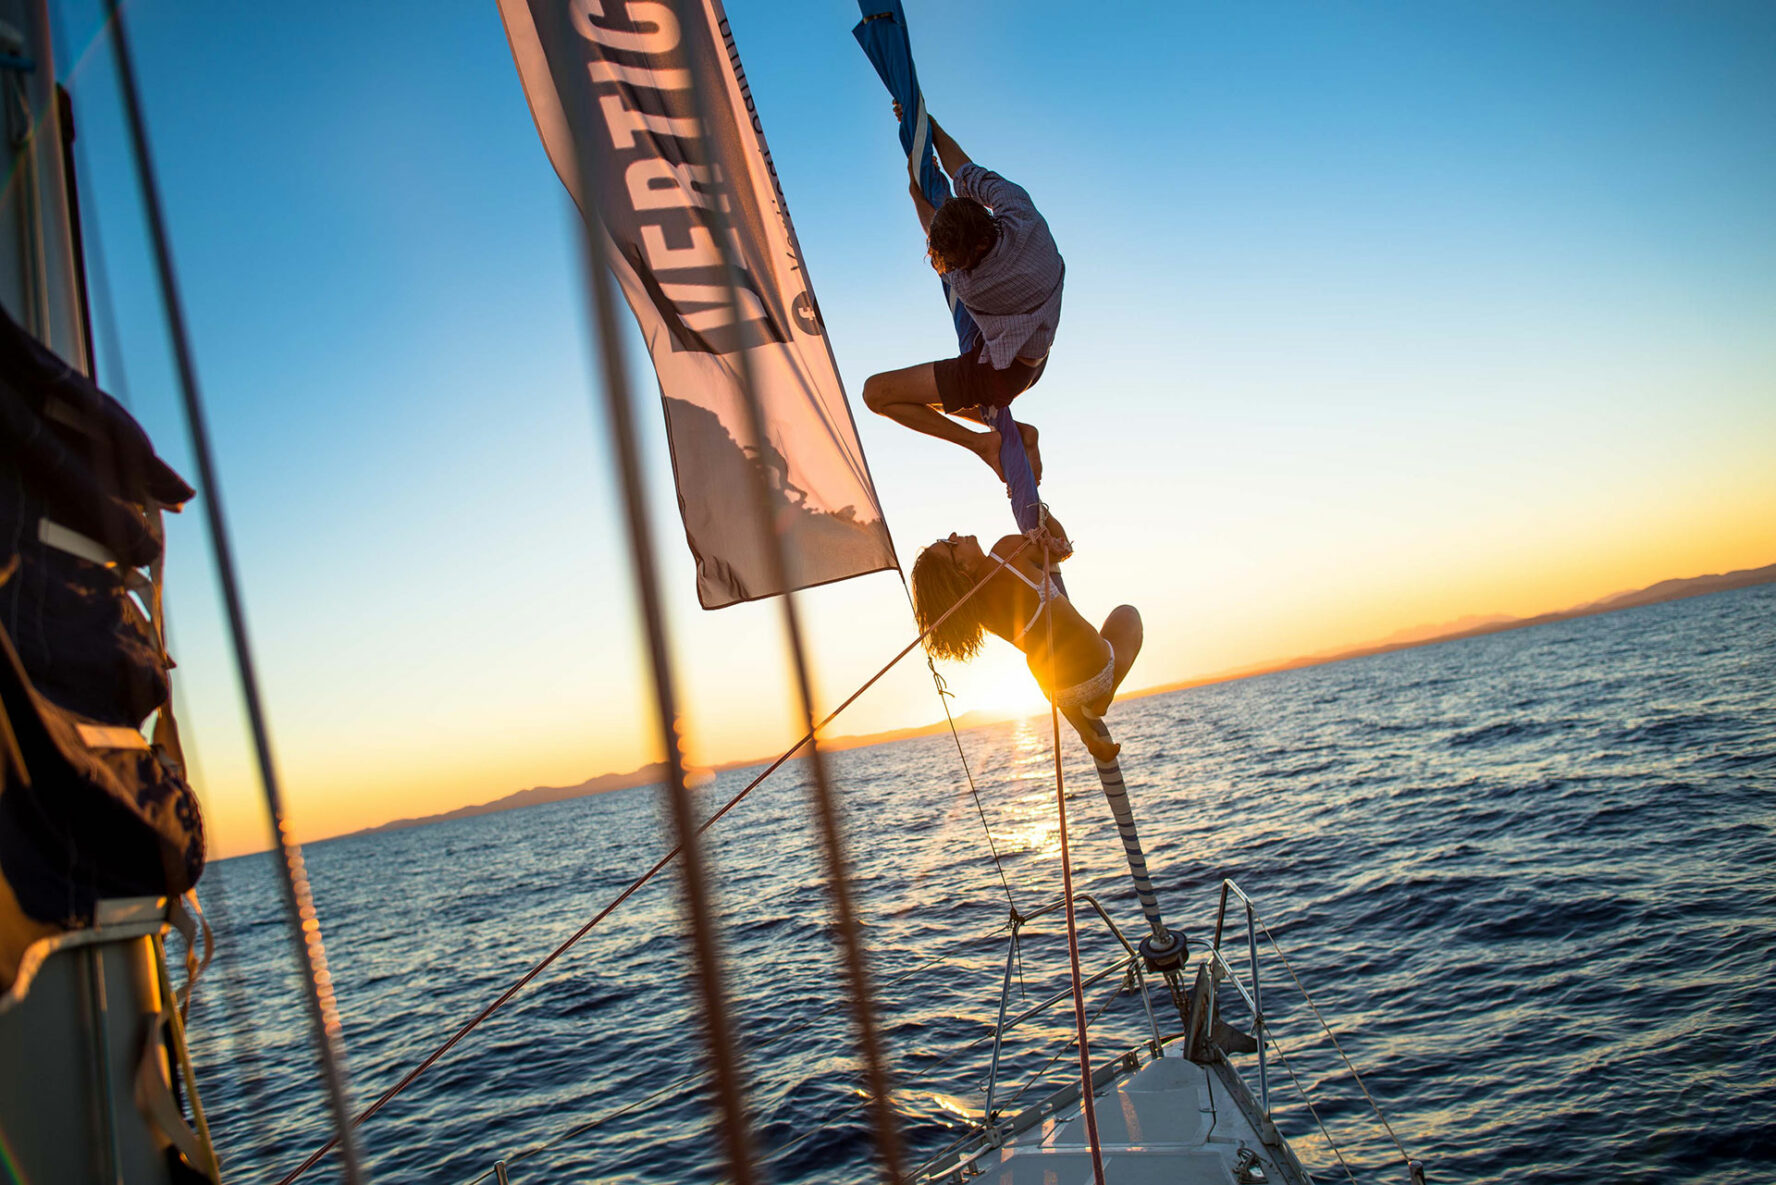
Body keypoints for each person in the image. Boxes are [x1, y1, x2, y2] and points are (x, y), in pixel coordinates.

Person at [861, 113, 1064, 485]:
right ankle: (1016, 431)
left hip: (1000, 373)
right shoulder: (1017, 207)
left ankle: (981, 444)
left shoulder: (974, 286)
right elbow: (962, 169)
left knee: (878, 394)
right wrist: (925, 122)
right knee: (939, 395)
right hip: (1035, 354)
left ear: (977, 250)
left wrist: (912, 189)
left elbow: (928, 227)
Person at [910, 516, 1141, 762]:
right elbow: (1061, 548)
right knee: (1127, 614)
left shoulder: (979, 613)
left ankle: (1086, 733)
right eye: (950, 544)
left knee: (1044, 654)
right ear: (962, 569)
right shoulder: (1004, 553)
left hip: (1059, 694)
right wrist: (1044, 515)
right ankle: (1103, 700)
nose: (955, 535)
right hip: (1098, 671)